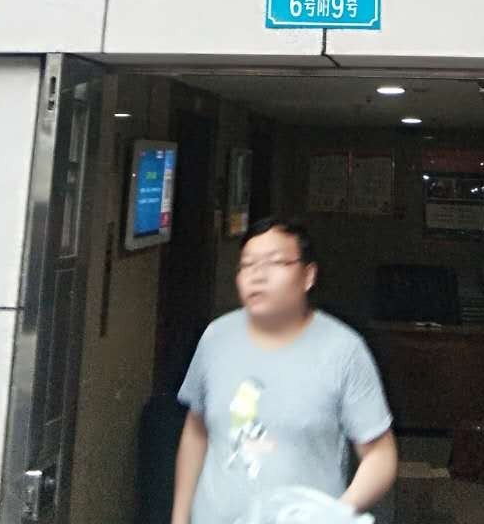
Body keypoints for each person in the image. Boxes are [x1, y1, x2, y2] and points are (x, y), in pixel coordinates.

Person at [170, 217, 398, 524]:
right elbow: (196, 430)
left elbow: (380, 454)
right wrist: (180, 517)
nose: (258, 275)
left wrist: (335, 512)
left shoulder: (344, 350)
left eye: (275, 262)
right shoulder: (216, 337)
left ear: (308, 276)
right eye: (247, 265)